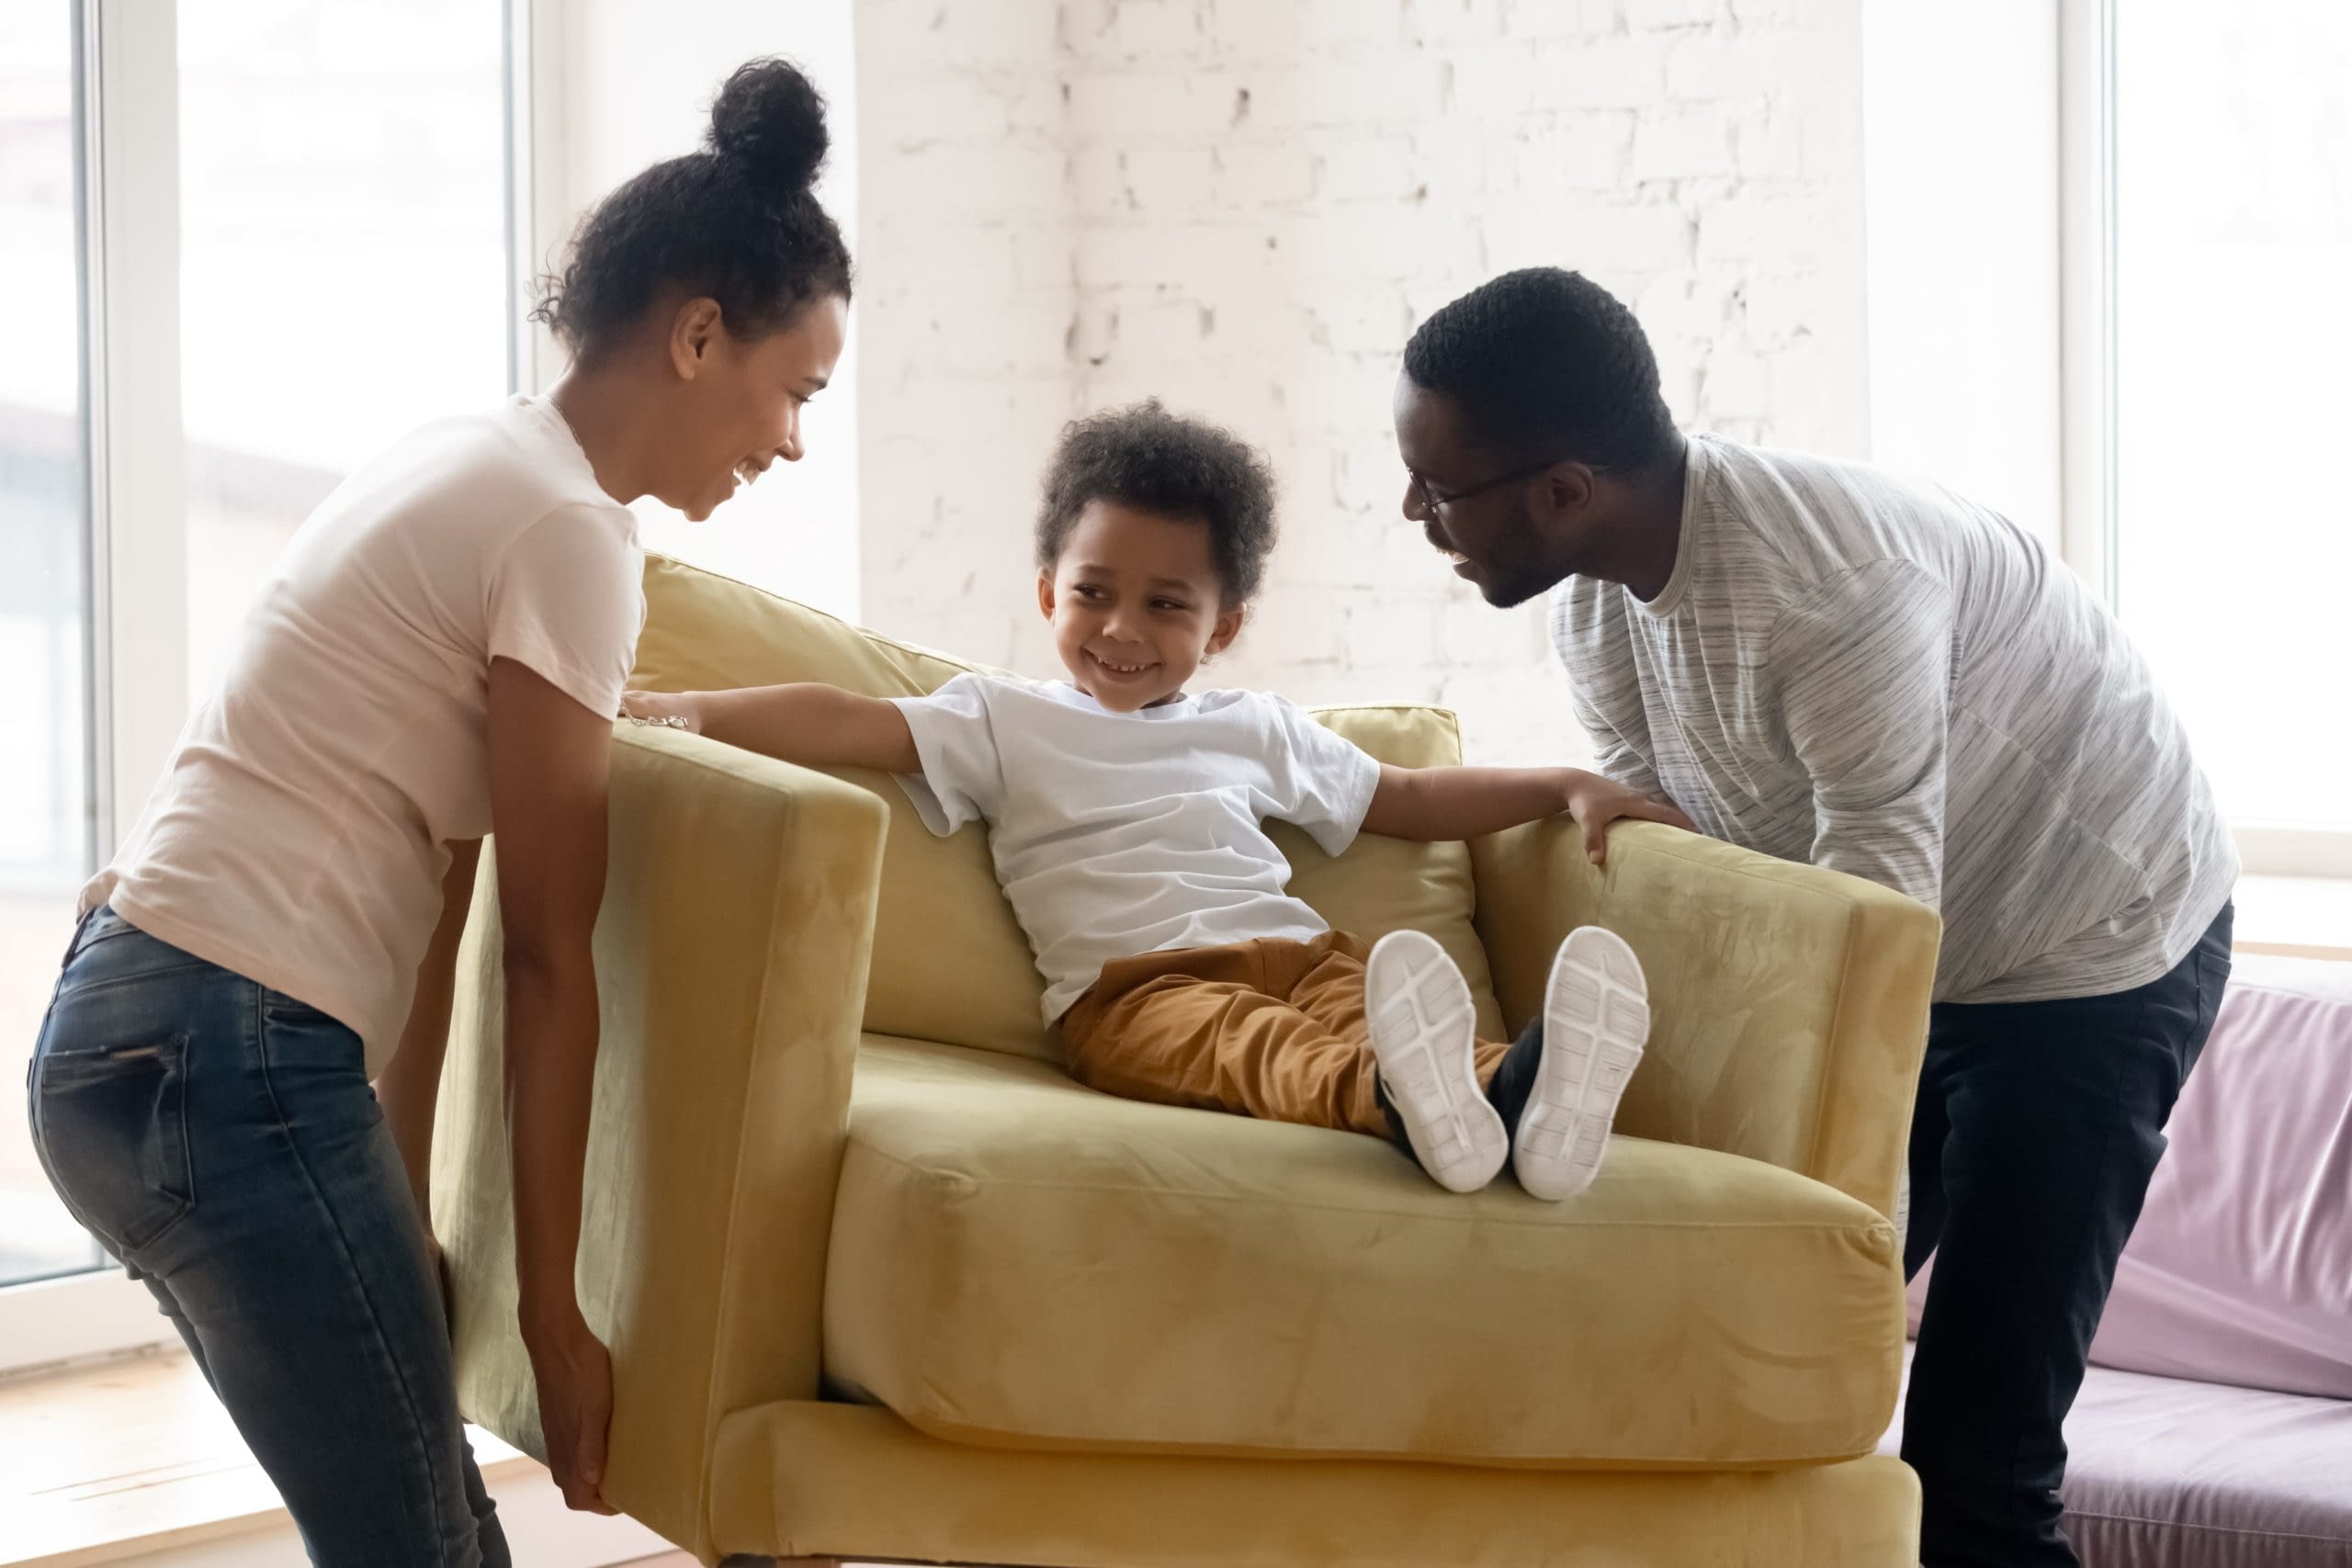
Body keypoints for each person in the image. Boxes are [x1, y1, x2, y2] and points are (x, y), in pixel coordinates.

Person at [24, 57, 851, 1566]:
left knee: (432, 1532)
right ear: (696, 336)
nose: (792, 440)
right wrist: (556, 1316)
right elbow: (547, 957)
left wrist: (401, 1208)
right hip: (231, 1051)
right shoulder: (568, 532)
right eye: (796, 390)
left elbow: (442, 891)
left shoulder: (473, 454)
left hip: (118, 1037)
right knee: (425, 1544)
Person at [1391, 265, 2237, 1566]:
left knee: (1973, 1468)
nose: (1413, 513)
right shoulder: (1600, 614)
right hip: (1912, 940)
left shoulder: (1834, 591)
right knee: (1719, 1362)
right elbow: (1694, 882)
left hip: (2088, 955)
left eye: (1437, 487)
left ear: (1564, 490)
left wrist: (1806, 1199)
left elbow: (1872, 937)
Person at [622, 400, 1687, 1197]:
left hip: (1302, 955)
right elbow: (845, 719)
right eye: (1092, 594)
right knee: (1254, 1046)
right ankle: (1405, 1103)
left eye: (1166, 606)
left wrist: (1561, 781)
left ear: (1221, 628)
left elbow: (1402, 796)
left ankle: (1520, 1097)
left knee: (1360, 1004)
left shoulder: (1252, 727)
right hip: (1133, 994)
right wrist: (685, 712)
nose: (1121, 629)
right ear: (1050, 593)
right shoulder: (1001, 719)